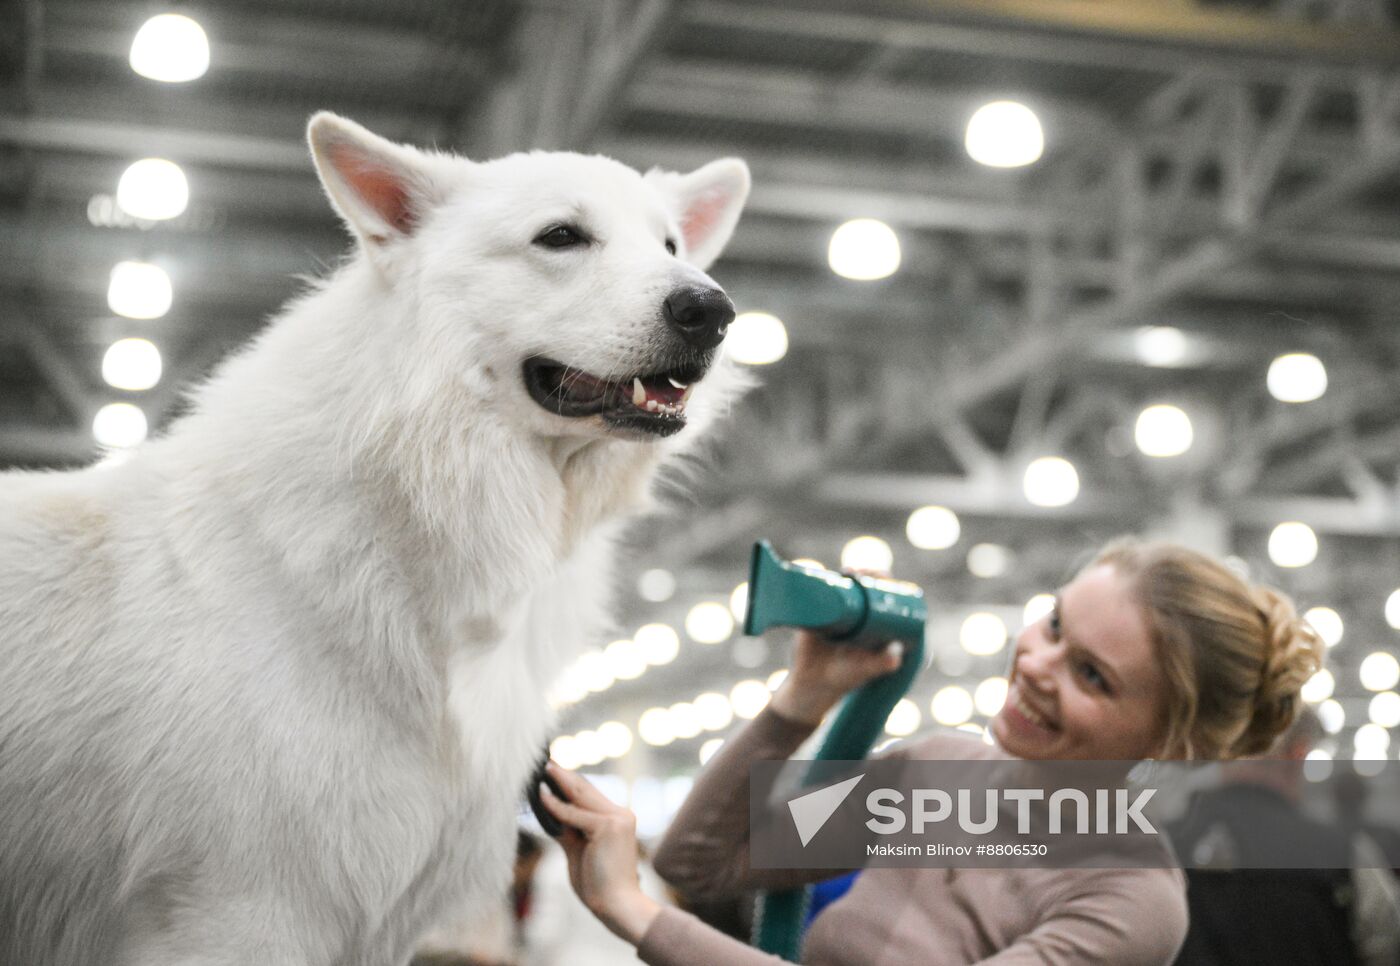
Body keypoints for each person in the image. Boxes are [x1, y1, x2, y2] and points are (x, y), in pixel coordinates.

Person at [539, 537, 1325, 964]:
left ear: (1173, 741)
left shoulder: (1128, 899)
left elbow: (660, 891)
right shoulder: (937, 774)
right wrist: (801, 699)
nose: (1038, 667)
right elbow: (703, 862)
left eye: (1091, 674)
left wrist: (632, 912)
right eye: (1054, 625)